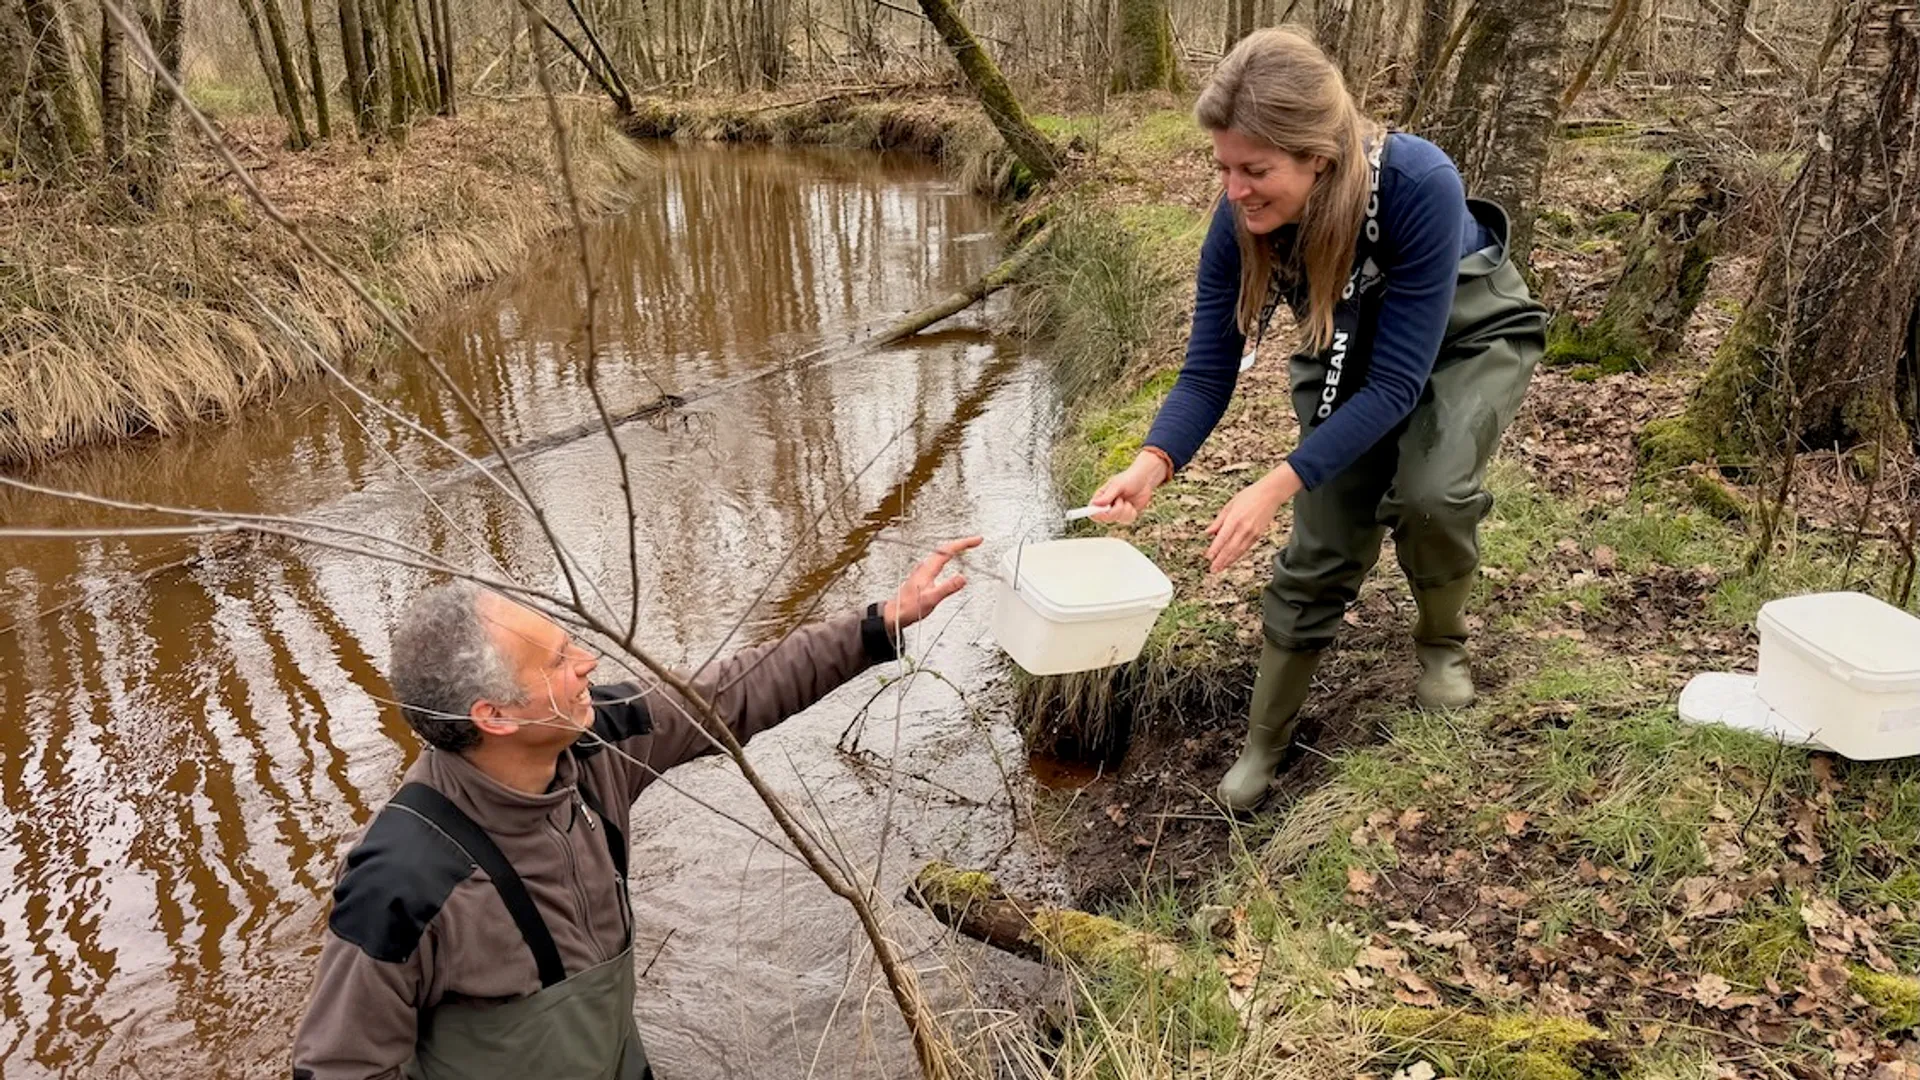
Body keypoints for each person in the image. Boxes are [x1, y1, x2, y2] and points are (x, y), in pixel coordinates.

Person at [290, 536, 981, 1080]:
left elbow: (729, 695)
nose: (588, 661)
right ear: (494, 715)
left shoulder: (595, 746)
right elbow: (339, 1066)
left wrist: (878, 626)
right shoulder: (398, 883)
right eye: (560, 661)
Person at [1089, 27, 1547, 811]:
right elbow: (1206, 372)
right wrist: (1152, 463)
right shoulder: (1237, 221)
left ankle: (1441, 644)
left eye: (1255, 170)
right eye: (1224, 168)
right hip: (1347, 344)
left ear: (1319, 158)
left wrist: (1274, 482)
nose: (1235, 190)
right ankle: (1265, 743)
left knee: (1431, 493)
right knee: (1324, 539)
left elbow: (1401, 382)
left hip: (1467, 337)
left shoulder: (1417, 183)